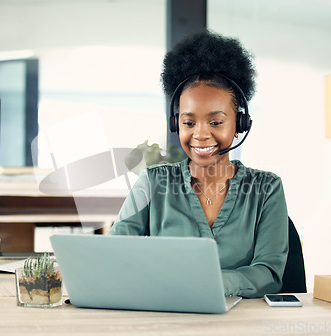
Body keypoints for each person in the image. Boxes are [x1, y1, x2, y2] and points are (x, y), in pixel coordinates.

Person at [109, 30, 288, 298]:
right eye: (188, 122)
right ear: (175, 123)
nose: (200, 134)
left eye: (216, 122)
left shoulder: (267, 189)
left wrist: (210, 283)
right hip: (167, 314)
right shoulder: (152, 182)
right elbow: (114, 254)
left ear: (239, 125)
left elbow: (269, 274)